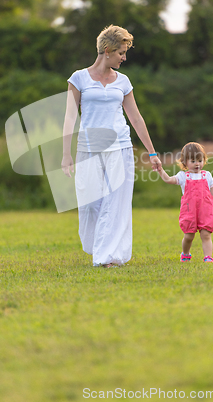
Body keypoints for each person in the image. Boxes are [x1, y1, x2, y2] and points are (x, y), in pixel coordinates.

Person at [61, 25, 162, 267]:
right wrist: (66, 154)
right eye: (121, 53)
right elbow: (69, 117)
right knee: (89, 204)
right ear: (107, 50)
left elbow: (136, 118)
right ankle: (99, 247)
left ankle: (108, 257)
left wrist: (152, 152)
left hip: (120, 147)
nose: (124, 58)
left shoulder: (124, 82)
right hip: (88, 149)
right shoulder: (79, 78)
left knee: (116, 202)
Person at [158, 142, 213, 263]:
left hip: (205, 211)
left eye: (200, 160)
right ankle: (185, 253)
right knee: (189, 236)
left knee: (206, 235)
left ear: (204, 160)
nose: (197, 164)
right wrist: (160, 170)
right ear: (185, 162)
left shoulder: (207, 176)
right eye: (193, 161)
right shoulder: (183, 176)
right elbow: (168, 179)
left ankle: (208, 257)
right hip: (190, 211)